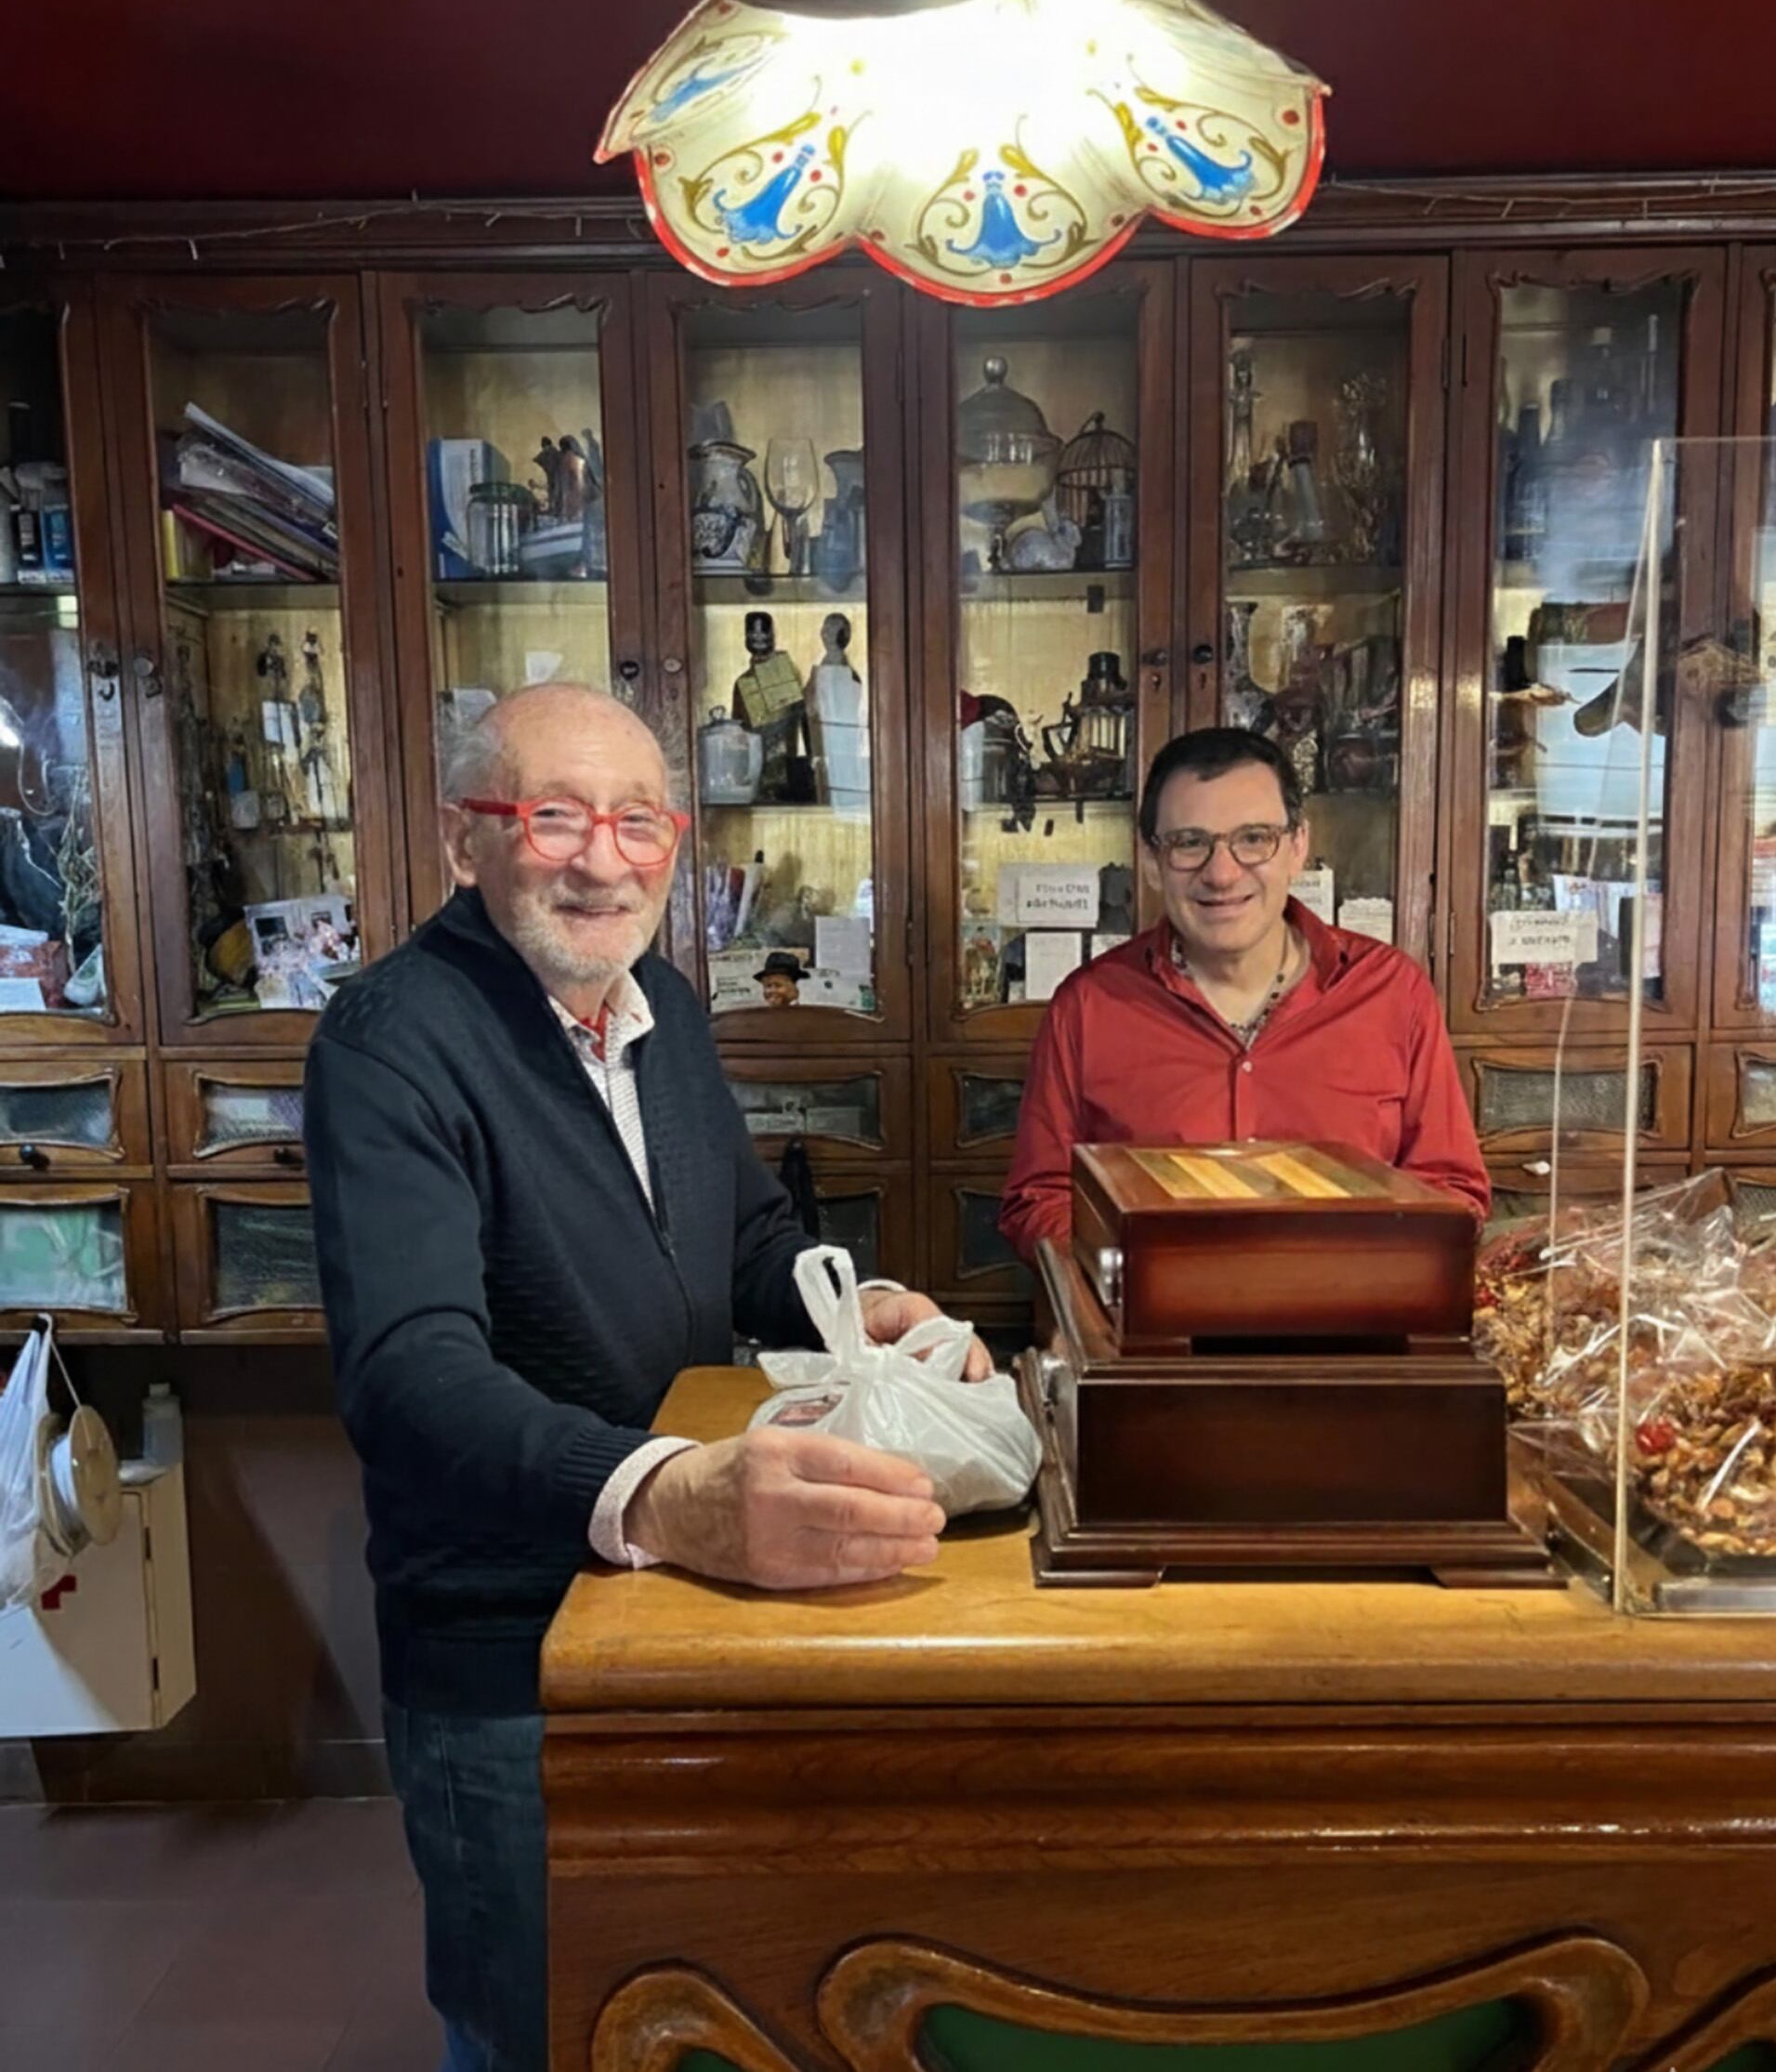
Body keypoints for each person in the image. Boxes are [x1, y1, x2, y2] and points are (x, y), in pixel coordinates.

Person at [305, 682, 988, 2072]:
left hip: (665, 1625)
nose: (600, 857)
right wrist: (672, 1494)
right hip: (507, 1656)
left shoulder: (655, 1000)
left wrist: (864, 1313)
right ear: (463, 838)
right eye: (551, 815)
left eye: (637, 820)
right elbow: (410, 1377)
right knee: (537, 2027)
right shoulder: (392, 1039)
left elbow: (742, 1237)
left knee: (674, 2017)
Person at [999, 728, 1490, 1262]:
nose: (1222, 873)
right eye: (1190, 842)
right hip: (1153, 1334)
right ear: (1149, 859)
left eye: (1253, 838)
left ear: (1298, 845)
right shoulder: (1089, 1007)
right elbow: (1040, 1199)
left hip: (1350, 1331)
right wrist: (1139, 1271)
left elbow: (1452, 1190)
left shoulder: (1392, 992)